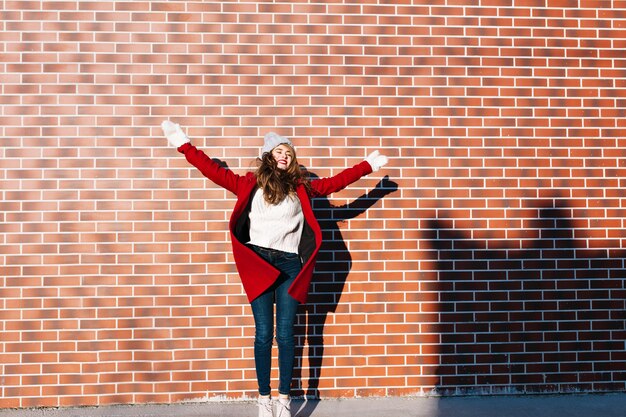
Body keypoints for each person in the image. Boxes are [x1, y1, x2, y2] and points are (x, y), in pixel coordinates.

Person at [161, 121, 388, 417]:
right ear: (268, 155)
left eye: (289, 152)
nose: (284, 156)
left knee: (287, 333)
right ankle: (263, 399)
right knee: (264, 333)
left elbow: (336, 182)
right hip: (259, 262)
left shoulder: (301, 187)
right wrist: (184, 143)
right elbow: (212, 170)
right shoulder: (248, 184)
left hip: (290, 263)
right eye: (279, 151)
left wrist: (367, 166)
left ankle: (284, 398)